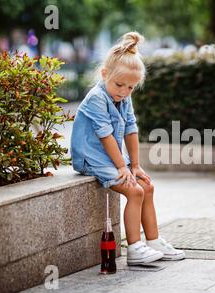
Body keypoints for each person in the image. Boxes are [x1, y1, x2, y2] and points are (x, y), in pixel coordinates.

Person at [71, 31, 185, 265]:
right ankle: (134, 248)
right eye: (119, 84)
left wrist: (135, 165)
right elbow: (106, 137)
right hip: (90, 158)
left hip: (110, 156)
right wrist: (122, 166)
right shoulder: (96, 98)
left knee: (146, 185)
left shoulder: (123, 96)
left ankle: (153, 241)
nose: (124, 91)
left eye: (131, 87)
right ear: (105, 74)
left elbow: (131, 128)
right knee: (135, 191)